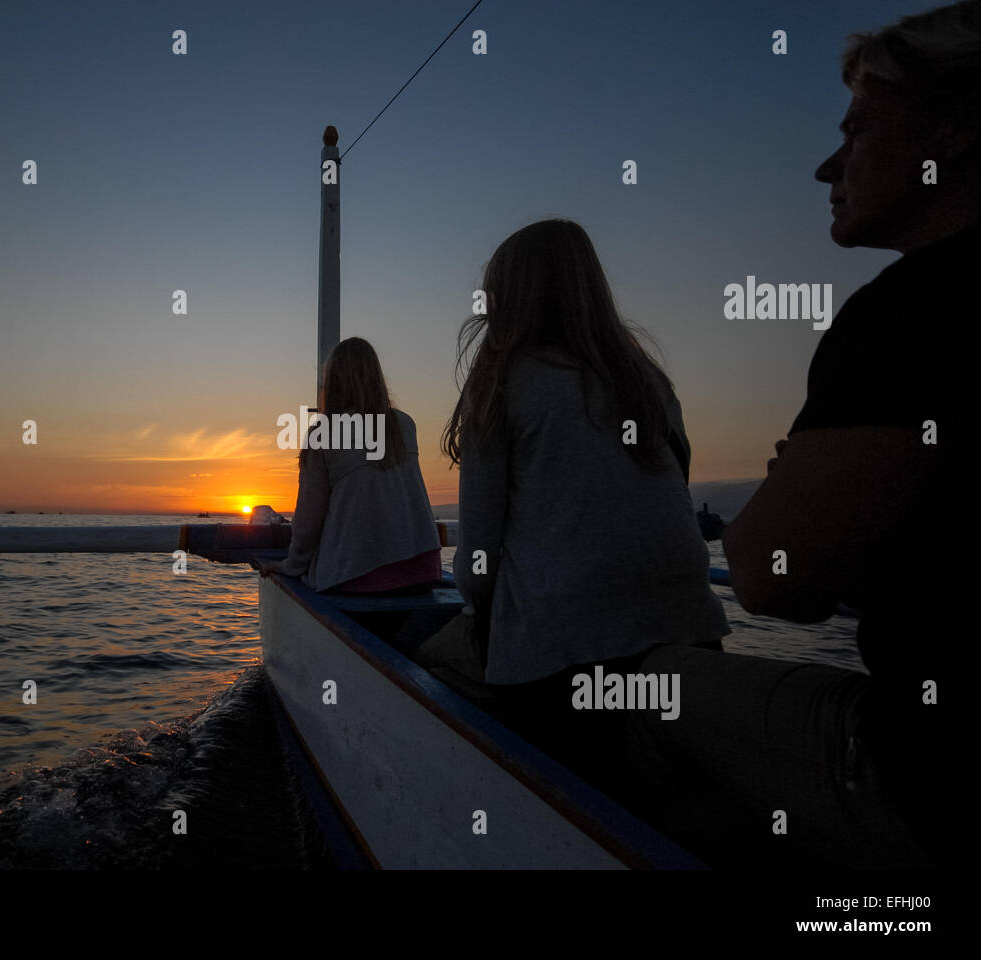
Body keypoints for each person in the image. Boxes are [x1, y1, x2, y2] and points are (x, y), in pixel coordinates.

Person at [627, 0, 975, 867]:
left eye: (859, 128)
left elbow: (768, 579)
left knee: (637, 686)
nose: (828, 164)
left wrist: (802, 495)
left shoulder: (910, 312)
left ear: (959, 131)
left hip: (928, 787)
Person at [419, 219, 729, 786]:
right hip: (693, 637)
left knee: (427, 658)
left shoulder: (503, 381)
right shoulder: (648, 380)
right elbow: (667, 503)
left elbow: (477, 568)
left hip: (561, 663)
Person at [273, 337, 441, 593]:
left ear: (333, 382)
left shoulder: (323, 433)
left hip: (358, 574)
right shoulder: (405, 425)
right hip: (423, 568)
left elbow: (309, 520)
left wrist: (292, 566)